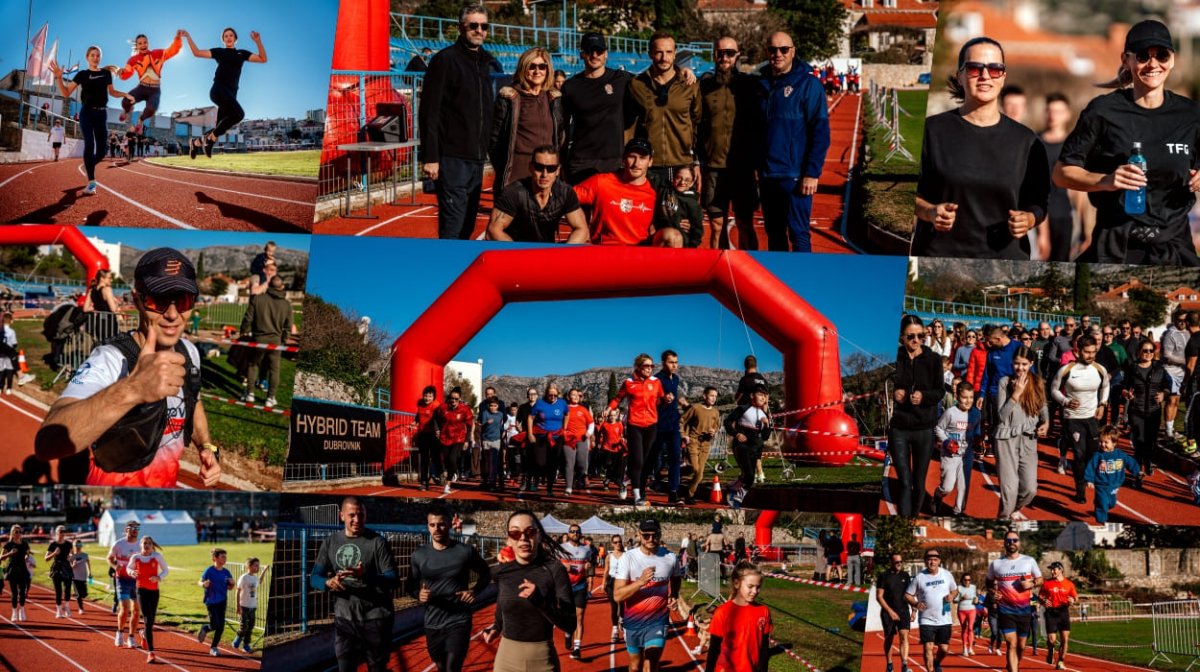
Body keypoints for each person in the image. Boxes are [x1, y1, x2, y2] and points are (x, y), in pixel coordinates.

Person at [37, 248, 221, 489]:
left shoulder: (189, 351)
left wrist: (207, 447)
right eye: (158, 300)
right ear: (137, 300)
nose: (173, 315)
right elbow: (47, 443)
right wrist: (133, 389)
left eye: (183, 300)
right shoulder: (111, 358)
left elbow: (193, 400)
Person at [1053, 20, 1200, 265]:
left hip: (1174, 249)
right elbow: (1061, 173)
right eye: (1143, 56)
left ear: (1172, 60)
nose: (1153, 64)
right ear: (1126, 60)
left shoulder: (1191, 115)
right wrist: (1106, 181)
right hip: (1115, 247)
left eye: (1161, 55)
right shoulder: (1103, 111)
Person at [912, 37, 1050, 259]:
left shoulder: (1028, 141)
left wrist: (1029, 220)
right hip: (939, 256)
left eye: (995, 69)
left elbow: (1039, 203)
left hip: (1005, 259)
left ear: (1003, 77)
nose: (985, 76)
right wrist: (929, 212)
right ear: (960, 75)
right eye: (975, 68)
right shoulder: (931, 131)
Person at [420, 4, 498, 240]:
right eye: (473, 25)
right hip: (451, 159)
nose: (479, 30)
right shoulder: (445, 60)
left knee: (468, 226)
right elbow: (429, 112)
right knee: (452, 227)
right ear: (460, 27)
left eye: (484, 26)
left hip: (477, 159)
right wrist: (431, 157)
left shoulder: (488, 62)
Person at [752, 31, 830, 252]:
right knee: (774, 235)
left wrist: (812, 172)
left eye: (783, 49)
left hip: (795, 176)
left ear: (793, 52)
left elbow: (821, 132)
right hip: (768, 176)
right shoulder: (761, 85)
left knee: (798, 233)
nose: (778, 54)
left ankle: (803, 284)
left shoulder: (809, 85)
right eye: (772, 50)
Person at [309, 496, 399, 672]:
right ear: (341, 515)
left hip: (376, 618)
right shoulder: (330, 542)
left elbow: (393, 579)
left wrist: (365, 575)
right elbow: (314, 577)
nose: (357, 520)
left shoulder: (378, 542)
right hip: (345, 619)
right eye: (352, 515)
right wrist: (328, 582)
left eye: (361, 515)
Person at [481, 510, 576, 672]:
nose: (523, 537)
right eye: (515, 533)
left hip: (542, 660)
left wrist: (540, 601)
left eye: (530, 532)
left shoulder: (554, 569)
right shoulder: (501, 572)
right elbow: (502, 600)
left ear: (538, 536)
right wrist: (496, 627)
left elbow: (570, 624)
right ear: (509, 540)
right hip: (506, 659)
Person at [407, 506, 491, 672]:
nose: (436, 529)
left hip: (459, 620)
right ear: (427, 526)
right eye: (432, 525)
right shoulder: (418, 555)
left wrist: (474, 591)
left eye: (441, 524)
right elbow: (410, 585)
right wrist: (419, 595)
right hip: (433, 622)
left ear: (450, 524)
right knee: (441, 666)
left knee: (452, 668)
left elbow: (486, 574)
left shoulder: (465, 551)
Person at [699, 36, 761, 250]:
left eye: (729, 53)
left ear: (737, 55)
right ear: (714, 55)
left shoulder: (750, 85)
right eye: (720, 53)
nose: (724, 57)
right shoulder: (703, 85)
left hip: (742, 168)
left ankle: (754, 267)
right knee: (716, 225)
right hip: (713, 167)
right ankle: (717, 273)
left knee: (745, 223)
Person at [48, 48, 135, 195]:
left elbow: (112, 92)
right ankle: (91, 182)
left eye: (98, 55)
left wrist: (125, 94)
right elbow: (65, 93)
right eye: (92, 55)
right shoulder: (82, 74)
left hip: (101, 114)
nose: (96, 58)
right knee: (89, 143)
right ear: (87, 57)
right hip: (86, 112)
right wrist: (58, 78)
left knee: (102, 150)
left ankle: (89, 165)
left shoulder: (106, 73)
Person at [574, 138, 683, 247]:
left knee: (674, 236)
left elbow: (672, 214)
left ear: (650, 162)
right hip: (606, 250)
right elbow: (567, 197)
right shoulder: (602, 182)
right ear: (623, 159)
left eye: (642, 158)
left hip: (640, 253)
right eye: (632, 157)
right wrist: (582, 227)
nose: (636, 163)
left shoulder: (656, 191)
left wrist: (685, 220)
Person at [625, 33, 701, 183]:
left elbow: (697, 124)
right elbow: (629, 126)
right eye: (659, 52)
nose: (664, 58)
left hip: (683, 165)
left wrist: (696, 162)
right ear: (650, 54)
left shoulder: (690, 85)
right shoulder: (636, 85)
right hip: (649, 164)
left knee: (684, 207)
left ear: (674, 55)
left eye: (668, 52)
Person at [180, 28, 266, 159]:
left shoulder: (241, 53)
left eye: (231, 35)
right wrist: (188, 36)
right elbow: (197, 53)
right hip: (218, 90)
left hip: (231, 95)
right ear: (223, 39)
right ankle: (210, 141)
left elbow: (262, 59)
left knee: (220, 128)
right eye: (226, 36)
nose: (229, 37)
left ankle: (195, 142)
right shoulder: (219, 52)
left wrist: (258, 41)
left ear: (235, 38)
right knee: (239, 114)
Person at [889, 315, 944, 516]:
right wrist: (896, 393)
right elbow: (885, 386)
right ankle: (904, 519)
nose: (916, 340)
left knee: (919, 484)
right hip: (899, 428)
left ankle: (912, 519)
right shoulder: (894, 357)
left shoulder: (934, 360)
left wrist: (924, 397)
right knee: (904, 482)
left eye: (921, 336)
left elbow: (940, 391)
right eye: (911, 336)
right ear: (902, 337)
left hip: (924, 428)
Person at [612, 518, 683, 672]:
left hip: (658, 621)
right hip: (633, 621)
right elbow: (617, 596)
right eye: (646, 536)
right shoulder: (628, 558)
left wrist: (674, 594)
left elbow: (676, 577)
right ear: (639, 535)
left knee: (650, 665)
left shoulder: (670, 558)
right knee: (635, 666)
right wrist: (640, 582)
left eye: (655, 535)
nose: (651, 539)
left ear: (660, 534)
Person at [489, 48, 563, 190]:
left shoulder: (554, 99)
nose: (537, 71)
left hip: (546, 171)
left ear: (548, 70)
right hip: (518, 171)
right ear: (524, 68)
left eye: (542, 66)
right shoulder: (509, 98)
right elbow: (494, 139)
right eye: (532, 66)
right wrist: (503, 167)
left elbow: (559, 136)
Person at [1050, 334, 1109, 504]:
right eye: (1087, 352)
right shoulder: (1067, 370)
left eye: (1093, 352)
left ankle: (1086, 478)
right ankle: (1080, 490)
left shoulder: (1099, 369)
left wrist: (1102, 404)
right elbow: (1054, 390)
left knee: (1092, 454)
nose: (1091, 355)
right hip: (1072, 419)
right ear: (1078, 351)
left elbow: (1106, 386)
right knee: (1079, 454)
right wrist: (1065, 401)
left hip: (1091, 418)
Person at [486, 145, 589, 243]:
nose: (544, 174)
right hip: (517, 251)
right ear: (531, 167)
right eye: (539, 167)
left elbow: (582, 230)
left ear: (557, 171)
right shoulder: (514, 193)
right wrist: (519, 255)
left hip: (547, 252)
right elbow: (493, 231)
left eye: (551, 169)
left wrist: (563, 254)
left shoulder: (565, 193)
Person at [995, 346, 1049, 519]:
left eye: (1024, 364)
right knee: (1009, 490)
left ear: (1031, 363)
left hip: (1028, 438)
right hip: (1006, 439)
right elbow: (1001, 416)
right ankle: (1004, 518)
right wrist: (1016, 394)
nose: (1020, 368)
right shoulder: (1004, 382)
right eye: (1017, 364)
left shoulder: (1037, 382)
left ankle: (1012, 510)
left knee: (1030, 489)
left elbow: (1043, 406)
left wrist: (1046, 421)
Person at [608, 353, 666, 506]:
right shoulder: (628, 383)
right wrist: (609, 408)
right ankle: (636, 494)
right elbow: (617, 398)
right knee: (638, 460)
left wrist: (667, 399)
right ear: (638, 367)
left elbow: (660, 399)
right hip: (635, 425)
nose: (650, 369)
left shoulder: (656, 382)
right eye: (647, 366)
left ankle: (626, 479)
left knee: (647, 462)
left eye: (652, 366)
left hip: (652, 425)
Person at [987, 531, 1044, 672]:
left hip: (1024, 609)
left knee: (1021, 646)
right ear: (1004, 543)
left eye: (1015, 540)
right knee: (1011, 644)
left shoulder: (1029, 561)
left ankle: (1014, 665)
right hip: (1005, 610)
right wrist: (993, 593)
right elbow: (988, 582)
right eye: (1009, 540)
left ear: (1019, 542)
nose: (1012, 543)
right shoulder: (996, 564)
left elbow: (1041, 580)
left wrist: (1031, 584)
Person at [1038, 94, 1086, 261]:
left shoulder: (1074, 144)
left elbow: (1079, 189)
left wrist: (1083, 228)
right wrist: (1042, 233)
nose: (1053, 116)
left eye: (1058, 111)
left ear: (1067, 114)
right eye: (1050, 111)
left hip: (1065, 216)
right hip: (1039, 215)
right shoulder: (1035, 142)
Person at [706, 561, 772, 671]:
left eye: (758, 587)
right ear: (737, 583)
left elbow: (764, 649)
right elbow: (714, 648)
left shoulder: (763, 612)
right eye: (750, 586)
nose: (755, 591)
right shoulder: (722, 612)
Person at [240, 273, 293, 408]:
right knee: (274, 370)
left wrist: (243, 332)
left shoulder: (258, 299)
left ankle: (250, 394)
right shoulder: (287, 305)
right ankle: (270, 398)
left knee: (253, 366)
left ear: (269, 285)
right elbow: (288, 326)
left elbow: (248, 318)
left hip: (258, 339)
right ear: (281, 286)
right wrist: (284, 340)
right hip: (276, 341)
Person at [117, 31, 183, 132]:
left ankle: (141, 119)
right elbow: (127, 74)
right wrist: (122, 73)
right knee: (125, 101)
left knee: (151, 109)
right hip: (141, 88)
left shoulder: (158, 53)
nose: (143, 45)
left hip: (154, 90)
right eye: (140, 43)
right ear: (137, 45)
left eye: (145, 42)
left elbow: (172, 50)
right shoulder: (133, 60)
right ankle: (127, 110)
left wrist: (177, 38)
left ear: (148, 43)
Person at [906, 548, 958, 672]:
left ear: (939, 561)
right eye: (929, 560)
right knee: (928, 646)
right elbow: (908, 595)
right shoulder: (919, 577)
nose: (932, 562)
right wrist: (916, 603)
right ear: (925, 561)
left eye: (935, 560)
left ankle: (937, 662)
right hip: (926, 619)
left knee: (944, 648)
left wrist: (952, 596)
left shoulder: (946, 574)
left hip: (944, 618)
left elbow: (955, 590)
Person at [1124, 337, 1168, 485]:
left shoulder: (1160, 369)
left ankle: (1148, 461)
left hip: (1154, 411)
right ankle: (1137, 473)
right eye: (1145, 350)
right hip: (1137, 410)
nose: (1148, 353)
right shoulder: (1132, 368)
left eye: (1151, 350)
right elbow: (1124, 386)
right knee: (1139, 441)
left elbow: (1168, 387)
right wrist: (1126, 393)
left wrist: (1163, 394)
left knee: (1150, 442)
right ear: (1139, 352)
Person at [933, 381, 981, 515]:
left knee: (963, 487)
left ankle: (958, 511)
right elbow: (938, 428)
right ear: (957, 397)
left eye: (971, 397)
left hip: (966, 456)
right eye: (964, 397)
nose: (968, 401)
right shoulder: (950, 413)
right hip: (950, 455)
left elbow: (977, 429)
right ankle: (937, 496)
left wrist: (978, 439)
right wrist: (947, 441)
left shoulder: (976, 414)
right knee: (947, 487)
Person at [724, 382, 771, 506]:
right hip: (741, 446)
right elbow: (727, 422)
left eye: (765, 395)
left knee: (748, 476)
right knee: (749, 476)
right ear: (751, 395)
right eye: (760, 394)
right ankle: (736, 499)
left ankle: (732, 489)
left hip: (755, 449)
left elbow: (765, 436)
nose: (763, 398)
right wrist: (736, 434)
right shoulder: (743, 408)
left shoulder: (764, 414)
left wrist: (767, 425)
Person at [649, 350, 688, 502]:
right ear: (663, 363)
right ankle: (643, 483)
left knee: (675, 457)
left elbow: (673, 399)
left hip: (673, 424)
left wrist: (681, 403)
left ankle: (673, 491)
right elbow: (650, 401)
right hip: (658, 424)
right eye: (671, 362)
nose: (675, 365)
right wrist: (662, 399)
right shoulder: (656, 379)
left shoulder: (676, 379)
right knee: (653, 457)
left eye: (676, 362)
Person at [1084, 424, 1140, 523]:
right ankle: (1101, 520)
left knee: (1111, 504)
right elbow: (1091, 467)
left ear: (1114, 443)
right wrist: (1089, 479)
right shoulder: (1098, 455)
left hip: (1115, 484)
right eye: (1101, 442)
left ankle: (1100, 504)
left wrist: (1137, 472)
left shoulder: (1120, 455)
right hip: (1101, 484)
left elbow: (1130, 463)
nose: (1103, 445)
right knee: (1103, 503)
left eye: (1106, 442)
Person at [127, 536, 168, 663]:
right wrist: (132, 572)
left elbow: (166, 570)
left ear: (152, 545)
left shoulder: (157, 556)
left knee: (151, 621)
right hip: (141, 590)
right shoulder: (135, 557)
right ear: (141, 545)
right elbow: (128, 568)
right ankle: (151, 653)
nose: (147, 545)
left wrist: (159, 577)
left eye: (149, 543)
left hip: (154, 591)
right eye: (144, 543)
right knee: (148, 620)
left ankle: (144, 633)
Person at [680, 386, 720, 504]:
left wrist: (714, 431)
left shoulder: (715, 412)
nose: (713, 399)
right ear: (704, 396)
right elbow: (682, 421)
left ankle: (689, 494)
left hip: (706, 444)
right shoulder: (695, 408)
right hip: (693, 441)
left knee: (700, 474)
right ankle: (677, 475)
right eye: (711, 396)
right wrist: (683, 434)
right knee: (696, 469)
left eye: (715, 397)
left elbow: (716, 426)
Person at [560, 522, 594, 659]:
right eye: (572, 531)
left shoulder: (587, 549)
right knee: (567, 617)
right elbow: (554, 566)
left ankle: (577, 648)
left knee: (579, 617)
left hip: (580, 586)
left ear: (580, 534)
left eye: (577, 531)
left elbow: (590, 565)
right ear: (568, 534)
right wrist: (565, 567)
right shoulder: (560, 548)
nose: (575, 533)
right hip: (565, 587)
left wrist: (588, 566)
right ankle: (568, 633)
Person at [651, 165, 705, 248]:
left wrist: (692, 247)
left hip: (679, 240)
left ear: (692, 183)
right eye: (679, 178)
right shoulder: (664, 189)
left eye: (687, 180)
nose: (682, 182)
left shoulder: (692, 203)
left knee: (674, 237)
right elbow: (651, 176)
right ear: (673, 178)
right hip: (661, 234)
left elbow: (697, 229)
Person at [528, 382, 567, 496]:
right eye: (550, 395)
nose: (553, 397)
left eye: (555, 395)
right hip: (541, 436)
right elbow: (530, 418)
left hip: (557, 437)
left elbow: (567, 415)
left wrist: (564, 429)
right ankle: (536, 479)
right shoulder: (539, 403)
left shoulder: (562, 403)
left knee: (553, 463)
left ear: (558, 394)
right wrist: (530, 434)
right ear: (546, 394)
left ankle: (549, 487)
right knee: (540, 462)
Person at [877, 552, 913, 672]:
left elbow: (910, 594)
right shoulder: (883, 576)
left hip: (903, 611)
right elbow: (879, 596)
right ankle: (889, 664)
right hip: (888, 612)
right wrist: (890, 611)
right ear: (891, 562)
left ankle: (904, 665)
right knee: (889, 638)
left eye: (901, 562)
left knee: (904, 637)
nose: (899, 564)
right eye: (896, 562)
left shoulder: (906, 575)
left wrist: (914, 610)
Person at [196, 548, 235, 655]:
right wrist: (204, 584)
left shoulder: (226, 572)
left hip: (222, 601)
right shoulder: (209, 570)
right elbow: (199, 581)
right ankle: (205, 628)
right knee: (214, 625)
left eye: (225, 556)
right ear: (215, 558)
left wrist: (232, 583)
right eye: (222, 557)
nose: (225, 559)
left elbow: (230, 587)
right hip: (211, 601)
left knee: (221, 626)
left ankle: (213, 648)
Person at [435, 387, 475, 494]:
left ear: (460, 399)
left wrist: (467, 440)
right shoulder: (443, 407)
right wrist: (437, 429)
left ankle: (447, 484)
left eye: (456, 399)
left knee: (453, 459)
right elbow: (435, 417)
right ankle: (453, 472)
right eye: (452, 398)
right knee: (447, 460)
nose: (453, 401)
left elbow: (469, 425)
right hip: (445, 437)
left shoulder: (465, 409)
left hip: (458, 437)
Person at [108, 521, 142, 647]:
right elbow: (109, 558)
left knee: (137, 610)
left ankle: (131, 637)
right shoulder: (119, 544)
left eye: (137, 528)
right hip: (122, 579)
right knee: (125, 609)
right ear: (126, 529)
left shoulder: (141, 545)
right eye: (132, 528)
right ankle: (120, 632)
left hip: (137, 581)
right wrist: (115, 566)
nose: (135, 530)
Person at [1038, 562, 1077, 670]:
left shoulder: (1069, 584)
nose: (1052, 572)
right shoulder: (1047, 583)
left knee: (1065, 639)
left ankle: (1060, 661)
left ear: (1061, 570)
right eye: (1051, 569)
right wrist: (1044, 601)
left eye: (1054, 569)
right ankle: (1050, 651)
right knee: (1051, 640)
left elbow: (1075, 598)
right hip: (1051, 613)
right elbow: (1040, 597)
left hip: (1063, 612)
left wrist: (1072, 600)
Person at [415, 385, 442, 491]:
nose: (427, 398)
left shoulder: (436, 406)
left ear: (434, 397)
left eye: (430, 396)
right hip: (422, 434)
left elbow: (439, 419)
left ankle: (440, 473)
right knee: (424, 459)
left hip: (433, 435)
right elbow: (419, 414)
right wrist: (415, 421)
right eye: (425, 396)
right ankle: (424, 482)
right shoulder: (420, 404)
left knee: (435, 457)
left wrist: (438, 430)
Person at [82, 268, 121, 340]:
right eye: (109, 278)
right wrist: (117, 303)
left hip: (99, 323)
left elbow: (85, 309)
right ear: (102, 278)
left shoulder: (91, 290)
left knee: (102, 346)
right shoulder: (107, 289)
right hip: (110, 324)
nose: (111, 280)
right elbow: (113, 309)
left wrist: (97, 308)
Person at [2, 525, 31, 621]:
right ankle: (14, 612)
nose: (18, 534)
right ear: (12, 533)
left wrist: (27, 557)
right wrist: (10, 553)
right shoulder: (8, 545)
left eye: (19, 532)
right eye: (16, 532)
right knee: (14, 593)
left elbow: (27, 554)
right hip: (12, 570)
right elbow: (1, 558)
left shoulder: (25, 544)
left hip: (22, 569)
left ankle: (22, 610)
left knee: (22, 592)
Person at [46, 525, 75, 617]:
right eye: (61, 531)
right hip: (57, 567)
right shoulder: (53, 544)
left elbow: (73, 556)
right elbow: (46, 558)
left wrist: (72, 559)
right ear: (56, 533)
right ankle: (58, 611)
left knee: (67, 590)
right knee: (58, 591)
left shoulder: (69, 544)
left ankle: (67, 607)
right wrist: (54, 553)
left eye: (64, 531)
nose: (62, 533)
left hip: (66, 567)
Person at [478, 397, 506, 491]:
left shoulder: (501, 415)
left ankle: (493, 483)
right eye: (491, 406)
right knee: (487, 462)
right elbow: (482, 426)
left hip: (496, 440)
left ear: (498, 406)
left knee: (493, 462)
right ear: (488, 406)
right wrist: (486, 423)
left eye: (495, 406)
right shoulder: (485, 413)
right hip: (486, 440)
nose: (493, 407)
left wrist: (503, 432)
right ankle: (486, 480)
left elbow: (501, 426)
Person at [233, 557, 260, 653]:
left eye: (258, 565)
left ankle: (246, 645)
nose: (258, 567)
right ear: (249, 566)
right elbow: (238, 591)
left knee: (250, 627)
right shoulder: (244, 577)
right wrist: (238, 606)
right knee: (244, 626)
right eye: (256, 565)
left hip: (253, 607)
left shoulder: (255, 578)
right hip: (244, 606)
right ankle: (238, 637)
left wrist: (265, 570)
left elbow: (259, 582)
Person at [604, 534, 626, 642]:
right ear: (612, 544)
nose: (618, 544)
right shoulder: (609, 556)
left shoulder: (626, 556)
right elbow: (606, 571)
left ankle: (621, 619)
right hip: (612, 582)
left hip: (622, 581)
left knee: (622, 604)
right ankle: (615, 630)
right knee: (613, 606)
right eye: (616, 542)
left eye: (620, 542)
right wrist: (604, 583)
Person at [957, 573, 980, 656]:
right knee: (964, 628)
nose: (967, 581)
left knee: (970, 628)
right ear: (962, 580)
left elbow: (975, 597)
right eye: (965, 580)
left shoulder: (973, 587)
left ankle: (970, 648)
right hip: (962, 610)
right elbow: (955, 600)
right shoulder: (959, 588)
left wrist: (976, 600)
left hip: (971, 609)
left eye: (969, 580)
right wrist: (961, 598)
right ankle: (964, 648)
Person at [68, 539, 92, 613]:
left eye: (79, 545)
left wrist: (90, 573)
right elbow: (68, 568)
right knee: (78, 594)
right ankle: (81, 608)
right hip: (74, 577)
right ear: (73, 546)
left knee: (84, 594)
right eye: (76, 545)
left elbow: (88, 563)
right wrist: (73, 565)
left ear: (81, 546)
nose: (78, 547)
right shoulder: (70, 556)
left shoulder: (85, 555)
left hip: (83, 577)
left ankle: (79, 598)